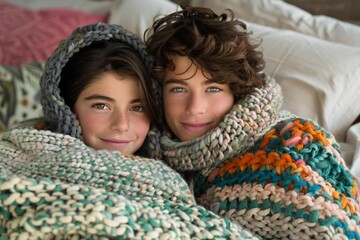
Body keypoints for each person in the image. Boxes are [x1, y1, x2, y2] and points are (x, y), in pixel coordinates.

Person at [0, 22, 259, 239]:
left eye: (137, 107)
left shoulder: (174, 177)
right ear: (66, 108)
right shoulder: (18, 152)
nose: (121, 125)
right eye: (101, 105)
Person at [145, 5, 360, 239]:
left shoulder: (288, 148)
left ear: (237, 92)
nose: (195, 108)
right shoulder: (147, 147)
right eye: (178, 88)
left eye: (213, 88)